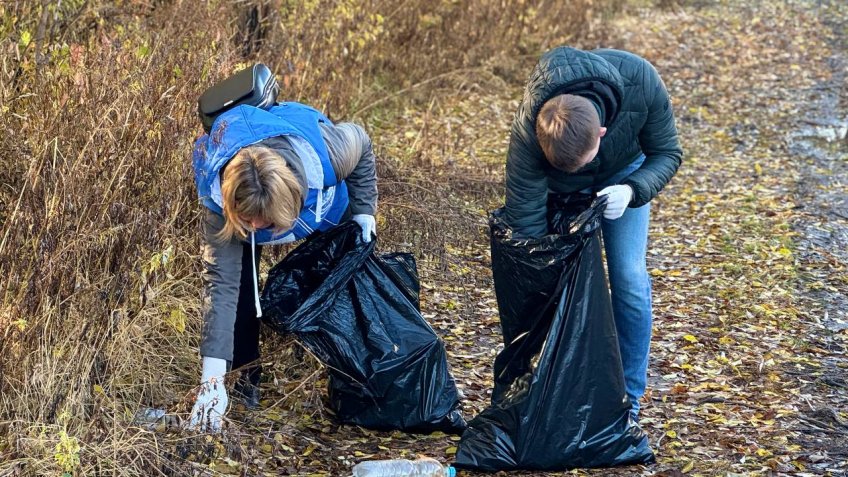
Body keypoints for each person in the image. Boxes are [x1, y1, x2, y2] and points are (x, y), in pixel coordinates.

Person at [503, 46, 683, 420]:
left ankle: (628, 400)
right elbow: (527, 219)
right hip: (559, 189)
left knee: (629, 278)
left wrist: (633, 190)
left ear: (602, 131)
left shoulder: (641, 80)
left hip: (623, 173)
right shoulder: (530, 131)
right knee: (551, 281)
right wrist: (542, 268)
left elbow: (667, 152)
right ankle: (552, 388)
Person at [188, 101, 378, 432]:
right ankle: (243, 385)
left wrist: (364, 214)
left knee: (344, 287)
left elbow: (361, 140)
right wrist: (211, 380)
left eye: (267, 223)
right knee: (241, 296)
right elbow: (220, 290)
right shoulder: (223, 206)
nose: (257, 228)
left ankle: (356, 384)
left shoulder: (329, 154)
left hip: (329, 212)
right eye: (249, 222)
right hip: (252, 213)